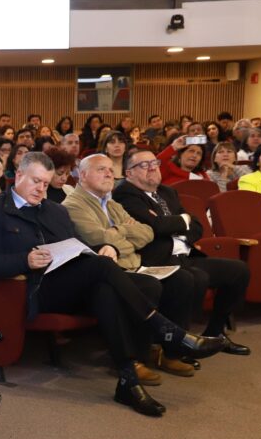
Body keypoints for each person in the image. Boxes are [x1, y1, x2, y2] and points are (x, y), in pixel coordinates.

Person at [0, 152, 226, 417]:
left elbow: (76, 246)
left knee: (124, 287)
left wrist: (107, 247)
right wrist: (24, 260)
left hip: (66, 280)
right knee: (103, 269)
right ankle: (166, 330)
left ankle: (128, 379)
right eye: (36, 181)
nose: (41, 189)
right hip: (32, 289)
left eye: (45, 183)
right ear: (19, 175)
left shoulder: (55, 211)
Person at [63, 154, 205, 378]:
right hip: (109, 272)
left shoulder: (111, 204)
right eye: (101, 169)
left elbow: (146, 233)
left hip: (132, 264)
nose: (109, 174)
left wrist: (118, 233)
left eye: (111, 170)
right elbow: (98, 237)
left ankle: (171, 353)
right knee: (149, 285)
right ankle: (136, 357)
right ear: (83, 175)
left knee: (182, 279)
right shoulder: (73, 205)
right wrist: (126, 233)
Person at [115, 149, 251, 355]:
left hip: (186, 255)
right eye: (144, 165)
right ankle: (177, 346)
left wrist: (179, 222)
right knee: (193, 278)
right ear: (129, 173)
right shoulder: (126, 194)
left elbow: (197, 226)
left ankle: (215, 333)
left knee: (239, 270)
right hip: (158, 260)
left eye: (155, 163)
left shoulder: (167, 192)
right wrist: (181, 221)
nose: (152, 168)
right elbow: (156, 226)